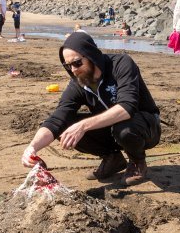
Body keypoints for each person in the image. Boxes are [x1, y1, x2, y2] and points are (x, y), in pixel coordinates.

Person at [20, 32, 161, 186]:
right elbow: (57, 119)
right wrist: (32, 147)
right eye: (68, 66)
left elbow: (127, 107)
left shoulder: (121, 64)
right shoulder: (78, 84)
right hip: (112, 130)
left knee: (124, 128)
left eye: (77, 63)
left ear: (91, 55)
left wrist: (83, 126)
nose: (73, 70)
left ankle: (137, 161)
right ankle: (112, 158)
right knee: (65, 127)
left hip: (145, 127)